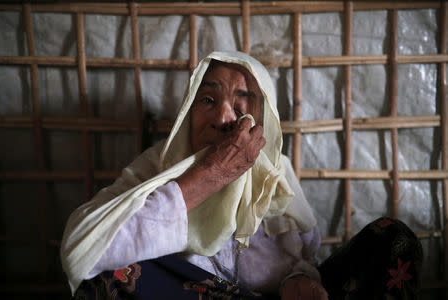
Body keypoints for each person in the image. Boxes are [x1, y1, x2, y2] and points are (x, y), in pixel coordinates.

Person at [61, 51, 422, 300]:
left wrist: (299, 280)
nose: (222, 119)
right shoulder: (157, 166)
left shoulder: (275, 173)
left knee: (393, 239)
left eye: (240, 104)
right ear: (189, 111)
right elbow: (82, 252)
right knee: (111, 273)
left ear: (262, 121)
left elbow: (302, 260)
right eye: (207, 100)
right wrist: (212, 173)